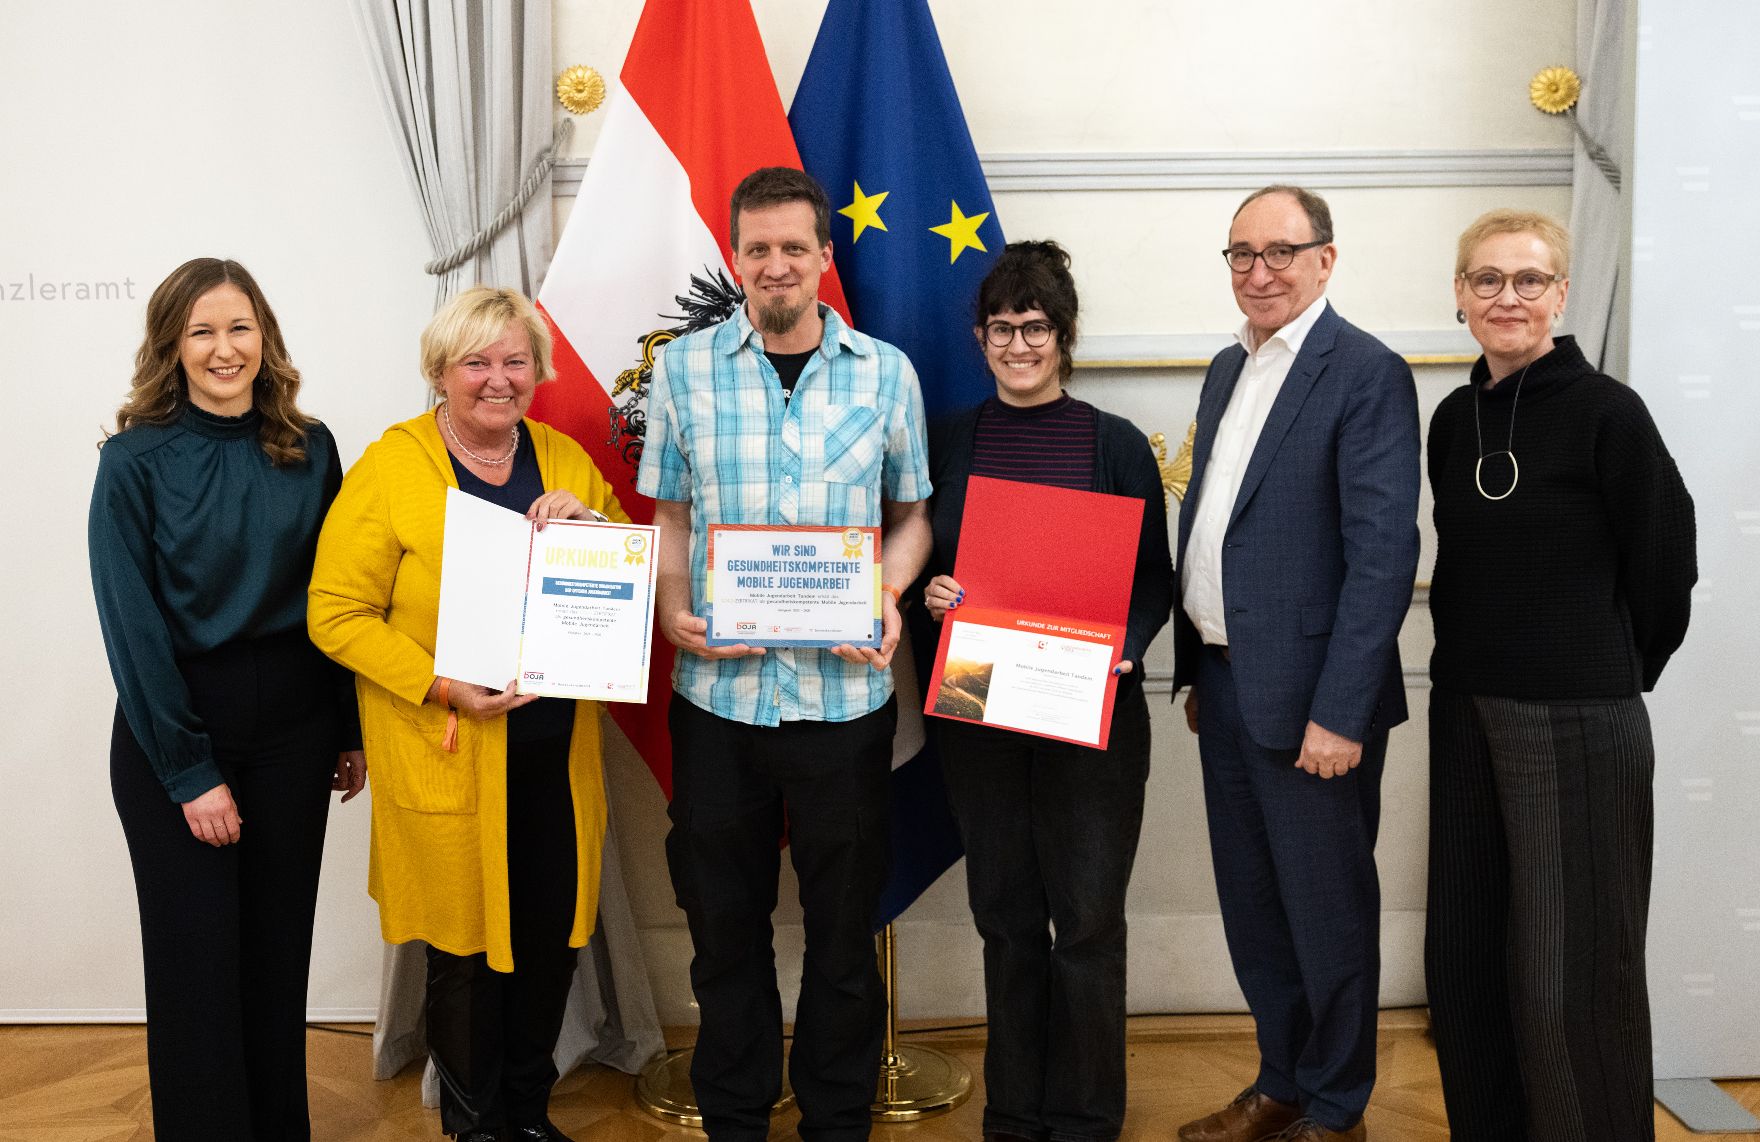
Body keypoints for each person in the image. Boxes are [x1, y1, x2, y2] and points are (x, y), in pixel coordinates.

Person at [636, 166, 933, 1142]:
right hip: (716, 698)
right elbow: (670, 519)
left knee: (844, 938)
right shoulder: (681, 371)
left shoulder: (885, 372)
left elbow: (911, 519)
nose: (773, 266)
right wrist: (672, 603)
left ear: (822, 258)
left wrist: (887, 591)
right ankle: (734, 1116)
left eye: (791, 249)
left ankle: (837, 1119)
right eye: (755, 249)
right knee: (724, 930)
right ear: (735, 257)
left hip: (843, 698)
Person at [307, 286, 625, 1142]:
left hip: (556, 755)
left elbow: (623, 574)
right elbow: (334, 610)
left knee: (552, 938)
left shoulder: (563, 457)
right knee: (466, 953)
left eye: (515, 361)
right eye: (476, 361)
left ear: (539, 371)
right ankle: (473, 1121)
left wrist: (591, 520)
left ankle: (527, 1111)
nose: (497, 379)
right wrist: (441, 683)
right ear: (439, 373)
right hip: (448, 749)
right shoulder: (394, 464)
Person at [1424, 210, 1695, 1142]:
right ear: (1459, 296)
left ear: (1561, 295)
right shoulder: (1453, 419)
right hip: (1463, 710)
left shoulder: (1608, 413)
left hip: (1578, 719)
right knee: (1466, 960)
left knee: (1568, 977)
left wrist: (1612, 670)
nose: (1508, 297)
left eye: (1529, 280)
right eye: (1488, 279)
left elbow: (1667, 562)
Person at [89, 257, 366, 1142]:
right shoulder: (130, 462)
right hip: (178, 728)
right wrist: (190, 770)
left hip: (296, 726)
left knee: (277, 959)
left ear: (265, 337)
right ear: (172, 345)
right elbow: (132, 628)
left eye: (239, 328)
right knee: (197, 967)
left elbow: (339, 596)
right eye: (201, 331)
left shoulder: (310, 445)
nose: (223, 348)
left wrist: (348, 727)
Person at [1171, 186, 1420, 1142]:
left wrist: (1342, 712)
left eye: (1281, 251)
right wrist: (1198, 668)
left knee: (1327, 913)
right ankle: (1282, 1081)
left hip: (1317, 702)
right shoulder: (1228, 368)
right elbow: (1216, 529)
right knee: (1255, 906)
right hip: (1229, 687)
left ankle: (1338, 1105)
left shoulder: (1364, 373)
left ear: (1326, 259)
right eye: (1240, 253)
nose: (1259, 271)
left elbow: (1381, 556)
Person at [918, 240, 1172, 1142]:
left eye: (1036, 328)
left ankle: (1089, 1118)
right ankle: (1015, 1116)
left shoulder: (1115, 444)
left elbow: (1155, 580)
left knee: (1090, 924)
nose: (1018, 344)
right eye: (1001, 328)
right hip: (981, 708)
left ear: (1064, 337)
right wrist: (933, 592)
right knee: (1006, 920)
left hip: (1090, 710)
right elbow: (922, 561)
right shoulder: (950, 438)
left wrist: (1130, 646)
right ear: (980, 338)